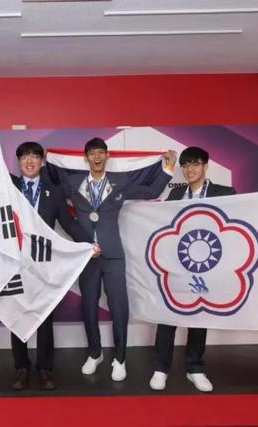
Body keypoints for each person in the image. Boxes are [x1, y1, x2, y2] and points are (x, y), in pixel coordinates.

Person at [0, 120, 97, 390]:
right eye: (24, 157)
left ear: (42, 161)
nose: (29, 161)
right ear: (18, 162)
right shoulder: (9, 187)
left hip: (42, 264)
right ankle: (21, 367)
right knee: (17, 312)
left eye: (34, 156)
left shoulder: (55, 191)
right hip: (13, 262)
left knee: (44, 315)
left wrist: (89, 244)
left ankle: (45, 369)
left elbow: (68, 223)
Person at [50, 137, 176, 382]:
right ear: (86, 158)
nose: (97, 157)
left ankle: (120, 359)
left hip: (114, 254)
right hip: (86, 255)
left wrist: (168, 168)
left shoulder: (121, 182)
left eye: (101, 153)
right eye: (92, 153)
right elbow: (53, 197)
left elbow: (150, 192)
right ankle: (94, 353)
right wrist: (44, 164)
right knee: (88, 306)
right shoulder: (72, 183)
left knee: (119, 307)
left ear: (107, 156)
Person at [149, 146, 235, 393]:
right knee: (168, 316)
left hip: (208, 267)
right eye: (185, 165)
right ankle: (161, 368)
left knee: (199, 317)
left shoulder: (225, 193)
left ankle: (195, 368)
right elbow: (157, 222)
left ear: (205, 166)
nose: (190, 170)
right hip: (177, 266)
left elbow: (255, 208)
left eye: (195, 164)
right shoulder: (175, 195)